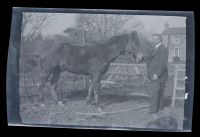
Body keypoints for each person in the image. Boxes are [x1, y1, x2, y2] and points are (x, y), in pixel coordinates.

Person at [146, 34, 169, 114]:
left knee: (155, 93)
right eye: (153, 39)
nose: (154, 40)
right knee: (158, 92)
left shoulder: (163, 49)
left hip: (158, 75)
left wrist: (157, 74)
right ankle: (159, 108)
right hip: (153, 74)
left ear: (160, 39)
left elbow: (163, 64)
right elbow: (149, 59)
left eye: (156, 39)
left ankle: (152, 110)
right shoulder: (154, 48)